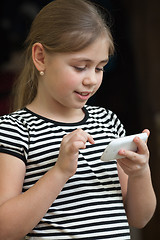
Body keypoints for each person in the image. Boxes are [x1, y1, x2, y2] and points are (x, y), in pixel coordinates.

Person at [0, 0, 156, 239]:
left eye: (99, 68)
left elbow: (139, 218)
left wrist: (140, 173)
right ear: (40, 57)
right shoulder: (15, 130)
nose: (91, 80)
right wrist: (60, 172)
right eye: (80, 67)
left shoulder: (108, 121)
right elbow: (5, 229)